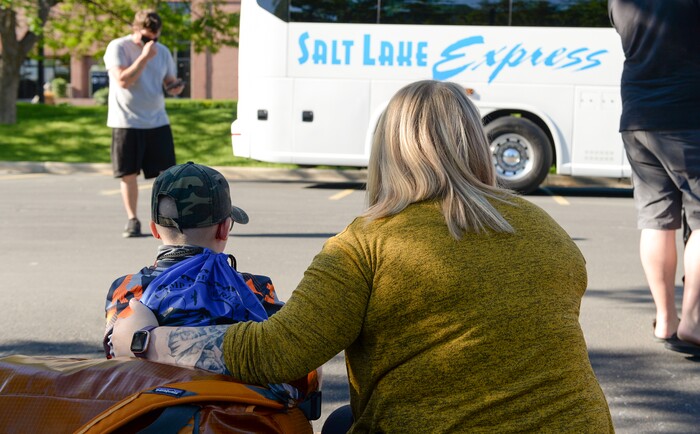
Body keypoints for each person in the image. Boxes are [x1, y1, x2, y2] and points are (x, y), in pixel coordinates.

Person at [112, 80, 614, 432]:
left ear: (386, 153)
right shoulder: (544, 227)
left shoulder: (366, 244)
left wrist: (146, 340)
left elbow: (277, 352)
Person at [104, 162, 284, 360]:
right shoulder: (255, 288)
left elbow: (115, 360)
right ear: (224, 229)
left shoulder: (128, 290)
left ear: (154, 230)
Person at [609, 0, 700, 355]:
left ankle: (666, 319)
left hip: (637, 116)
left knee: (656, 219)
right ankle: (694, 321)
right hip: (688, 114)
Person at [104, 10, 185, 238]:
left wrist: (175, 87)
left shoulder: (164, 52)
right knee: (128, 174)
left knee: (167, 175)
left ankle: (165, 220)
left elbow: (168, 81)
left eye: (155, 38)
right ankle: (132, 220)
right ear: (135, 30)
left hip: (157, 120)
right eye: (146, 38)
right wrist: (144, 57)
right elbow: (123, 81)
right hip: (126, 121)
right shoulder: (118, 47)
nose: (151, 43)